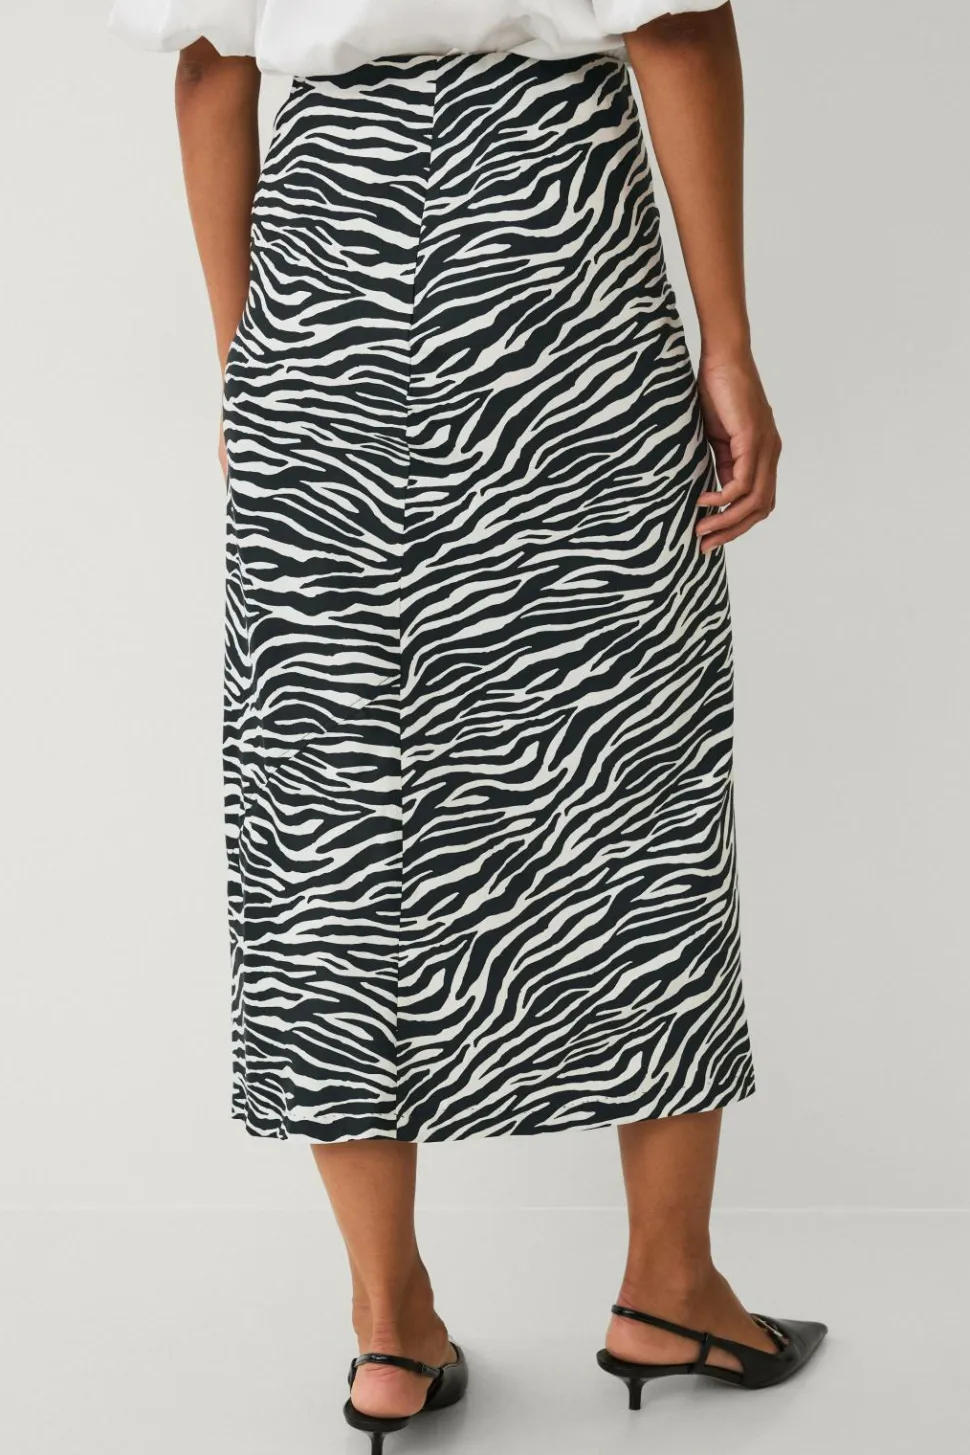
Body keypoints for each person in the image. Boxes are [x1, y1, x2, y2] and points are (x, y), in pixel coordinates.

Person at [109, 2, 827, 1447]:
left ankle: (388, 1323)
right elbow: (679, 33)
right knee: (629, 775)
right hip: (557, 276)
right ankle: (669, 1285)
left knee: (332, 801)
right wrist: (731, 344)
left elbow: (210, 67)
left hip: (326, 287)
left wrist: (251, 359)